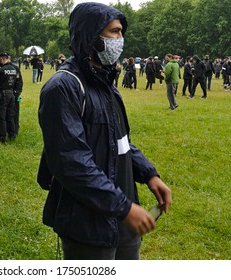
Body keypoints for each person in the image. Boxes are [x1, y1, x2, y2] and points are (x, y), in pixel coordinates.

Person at [37, 2, 172, 260]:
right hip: (87, 224)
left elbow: (120, 142)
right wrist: (123, 208)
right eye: (114, 32)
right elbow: (71, 162)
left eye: (121, 32)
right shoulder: (64, 87)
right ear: (91, 36)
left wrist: (149, 174)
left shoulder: (107, 84)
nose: (120, 39)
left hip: (123, 220)